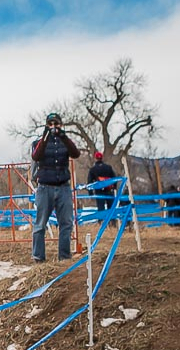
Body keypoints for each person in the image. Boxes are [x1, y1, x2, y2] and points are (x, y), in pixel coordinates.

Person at [30, 112, 81, 261]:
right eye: (50, 124)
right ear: (46, 125)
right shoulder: (39, 142)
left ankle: (64, 257)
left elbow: (75, 153)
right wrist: (46, 136)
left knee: (66, 223)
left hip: (63, 187)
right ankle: (38, 257)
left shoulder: (65, 141)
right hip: (45, 187)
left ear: (61, 125)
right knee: (40, 224)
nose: (53, 127)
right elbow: (36, 156)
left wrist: (63, 136)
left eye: (56, 124)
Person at [86, 151, 118, 216]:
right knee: (111, 209)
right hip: (109, 190)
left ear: (95, 158)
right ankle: (112, 223)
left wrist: (90, 193)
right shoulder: (108, 167)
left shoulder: (93, 169)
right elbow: (114, 178)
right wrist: (114, 188)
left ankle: (101, 223)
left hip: (99, 191)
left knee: (101, 209)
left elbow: (89, 182)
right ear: (102, 158)